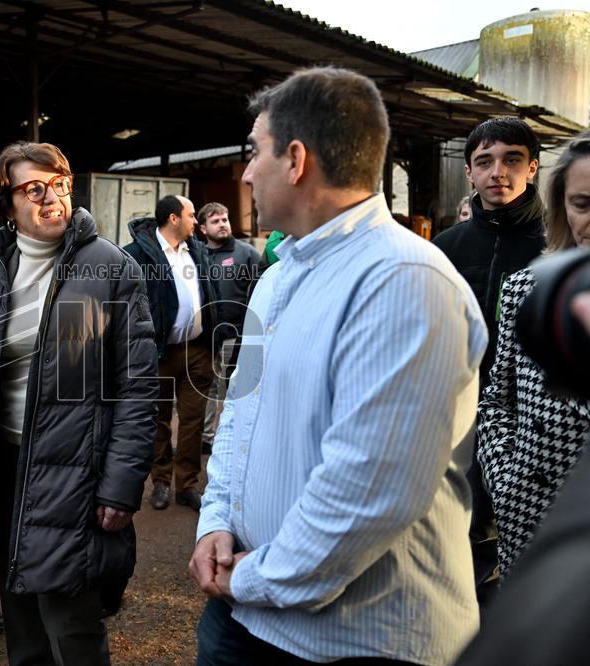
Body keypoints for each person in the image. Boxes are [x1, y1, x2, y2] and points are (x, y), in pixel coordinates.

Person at [189, 67, 486, 665]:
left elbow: (367, 495)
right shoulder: (276, 281)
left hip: (352, 641)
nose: (245, 172)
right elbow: (239, 421)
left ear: (296, 159)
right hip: (245, 613)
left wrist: (248, 579)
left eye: (254, 152)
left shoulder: (404, 282)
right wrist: (215, 520)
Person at [0, 141, 157, 666]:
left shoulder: (109, 269)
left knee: (71, 623)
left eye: (60, 184)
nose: (52, 198)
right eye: (34, 189)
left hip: (74, 474)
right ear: (5, 203)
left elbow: (137, 389)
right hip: (1, 466)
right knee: (21, 618)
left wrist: (121, 486)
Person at [432, 117, 545, 602]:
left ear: (533, 167)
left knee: (528, 544)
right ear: (469, 174)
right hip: (455, 415)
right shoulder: (444, 249)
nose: (498, 172)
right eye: (485, 162)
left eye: (512, 159)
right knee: (457, 532)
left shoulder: (556, 247)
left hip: (533, 420)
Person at [477, 131, 590, 577]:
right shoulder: (528, 288)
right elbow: (496, 401)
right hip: (532, 519)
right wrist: (506, 480)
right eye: (582, 204)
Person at [124, 194, 219, 511]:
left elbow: (209, 294)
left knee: (192, 422)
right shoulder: (138, 255)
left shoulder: (198, 252)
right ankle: (161, 481)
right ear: (174, 219)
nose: (197, 221)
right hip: (160, 352)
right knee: (158, 419)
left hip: (197, 350)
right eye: (192, 215)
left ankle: (187, 484)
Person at [198, 202, 260, 454]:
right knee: (210, 385)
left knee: (235, 387)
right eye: (215, 221)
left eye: (225, 219)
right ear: (202, 228)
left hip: (238, 334)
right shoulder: (198, 254)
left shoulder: (247, 254)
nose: (223, 224)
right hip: (208, 335)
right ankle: (208, 437)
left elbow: (259, 291)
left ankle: (237, 437)